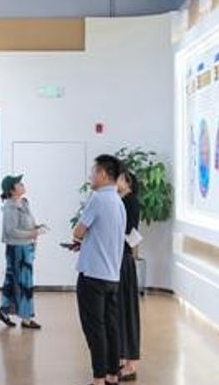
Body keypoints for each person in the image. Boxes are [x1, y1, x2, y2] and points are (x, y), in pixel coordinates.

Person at [71, 155, 128, 385]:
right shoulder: (119, 202)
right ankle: (112, 375)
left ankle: (98, 379)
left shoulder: (97, 199)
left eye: (93, 172)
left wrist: (80, 238)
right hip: (112, 275)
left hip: (92, 275)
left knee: (95, 329)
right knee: (111, 327)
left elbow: (78, 231)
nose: (90, 176)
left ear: (103, 174)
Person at [0, 174, 45, 329]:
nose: (22, 185)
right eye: (18, 183)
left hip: (26, 246)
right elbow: (11, 231)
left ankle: (5, 311)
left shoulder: (24, 203)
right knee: (23, 282)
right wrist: (32, 233)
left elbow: (26, 224)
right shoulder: (10, 207)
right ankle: (26, 318)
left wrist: (35, 228)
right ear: (12, 190)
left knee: (14, 280)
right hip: (17, 248)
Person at [117, 169, 142, 381]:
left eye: (118, 178)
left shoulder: (130, 202)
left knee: (127, 310)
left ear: (128, 182)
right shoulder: (121, 201)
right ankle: (124, 359)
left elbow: (128, 232)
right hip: (119, 259)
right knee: (120, 311)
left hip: (123, 260)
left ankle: (131, 364)